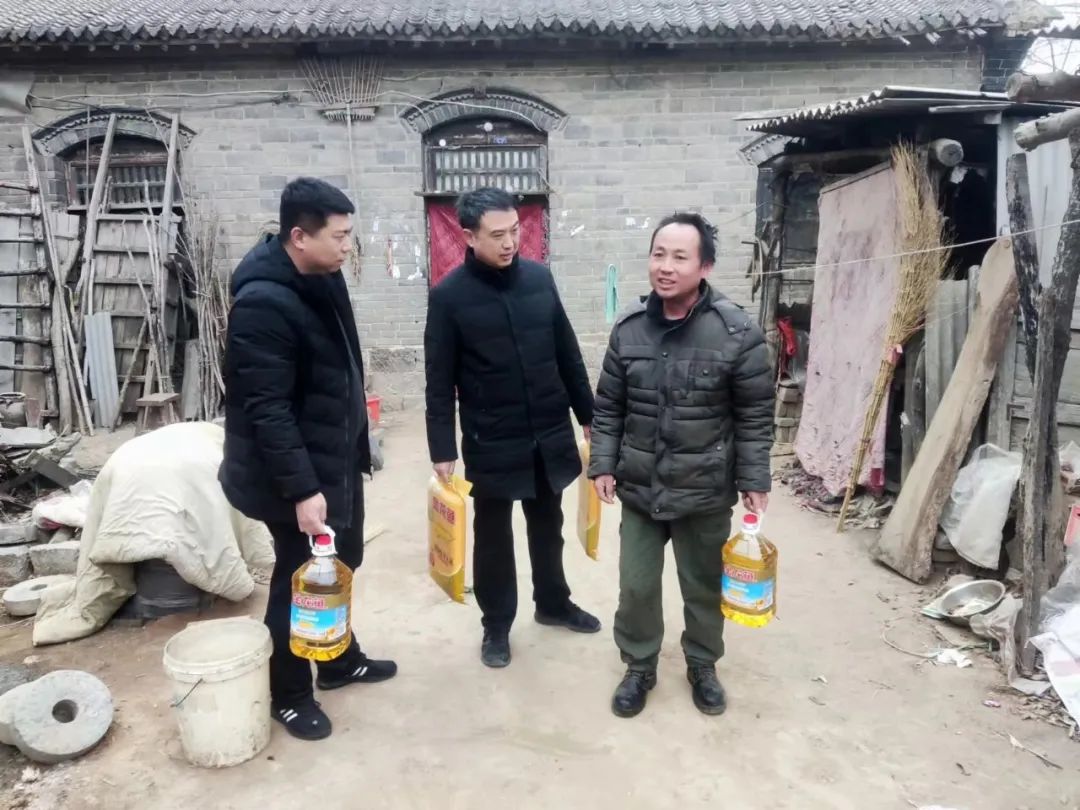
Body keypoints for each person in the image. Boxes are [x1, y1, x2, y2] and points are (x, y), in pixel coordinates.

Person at [220, 177, 396, 741]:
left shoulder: (321, 274)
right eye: (339, 236)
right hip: (287, 474)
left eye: (349, 234)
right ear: (299, 236)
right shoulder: (262, 304)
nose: (348, 246)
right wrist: (301, 490)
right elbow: (267, 409)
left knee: (341, 562)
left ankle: (338, 661)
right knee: (299, 580)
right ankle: (290, 694)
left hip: (330, 456)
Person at [588, 212, 774, 718]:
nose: (665, 267)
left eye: (679, 257)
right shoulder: (629, 329)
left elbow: (754, 414)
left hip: (705, 489)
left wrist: (754, 477)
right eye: (658, 254)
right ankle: (639, 665)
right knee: (636, 586)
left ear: (705, 266)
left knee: (703, 586)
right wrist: (603, 464)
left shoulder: (737, 333)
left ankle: (702, 664)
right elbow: (609, 407)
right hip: (641, 487)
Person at [424, 187, 600, 668]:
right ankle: (497, 625)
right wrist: (442, 447)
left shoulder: (539, 280)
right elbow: (438, 379)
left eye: (515, 231)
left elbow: (567, 353)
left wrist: (589, 416)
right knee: (494, 537)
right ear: (468, 236)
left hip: (548, 430)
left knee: (548, 524)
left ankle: (553, 602)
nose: (509, 243)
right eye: (497, 235)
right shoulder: (449, 297)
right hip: (492, 437)